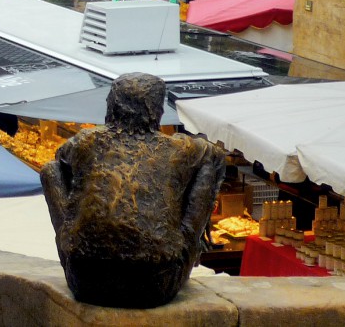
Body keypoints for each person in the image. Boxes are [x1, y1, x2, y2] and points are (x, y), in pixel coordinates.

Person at [41, 73, 223, 308]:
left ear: (112, 104)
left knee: (50, 171)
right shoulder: (179, 148)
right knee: (210, 164)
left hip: (85, 278)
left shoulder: (86, 140)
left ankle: (76, 240)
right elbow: (216, 157)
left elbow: (60, 162)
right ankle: (190, 247)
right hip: (157, 282)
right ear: (156, 110)